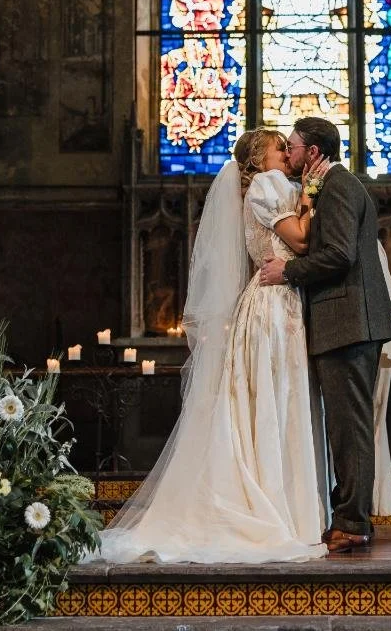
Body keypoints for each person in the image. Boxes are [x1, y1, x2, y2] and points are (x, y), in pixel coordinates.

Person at [87, 128, 331, 563]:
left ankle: (287, 508)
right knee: (276, 399)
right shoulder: (267, 184)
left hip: (275, 300)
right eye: (280, 147)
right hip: (273, 305)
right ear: (260, 156)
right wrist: (311, 200)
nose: (287, 155)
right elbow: (299, 241)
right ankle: (281, 510)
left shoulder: (265, 186)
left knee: (274, 399)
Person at [259, 117, 391, 553]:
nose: (289, 154)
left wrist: (289, 271)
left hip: (348, 321)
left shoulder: (339, 186)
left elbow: (338, 253)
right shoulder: (334, 185)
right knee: (345, 425)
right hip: (347, 321)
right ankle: (350, 515)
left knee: (349, 426)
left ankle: (352, 521)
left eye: (294, 147)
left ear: (313, 152)